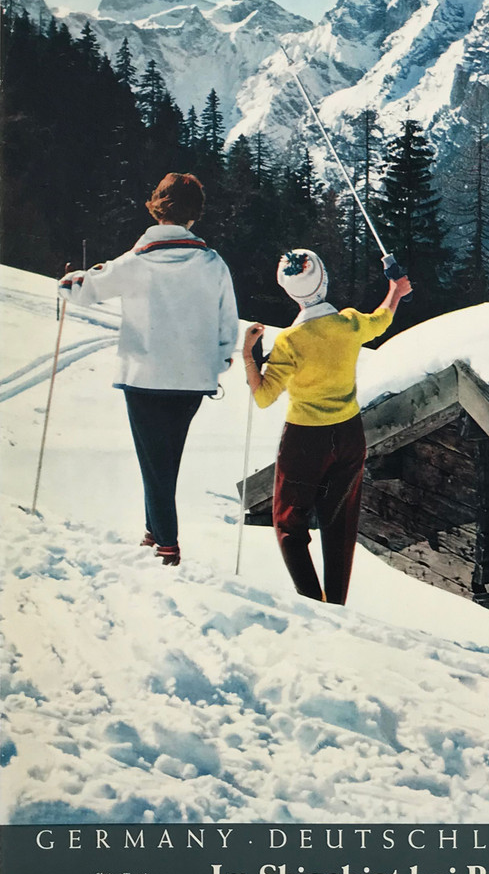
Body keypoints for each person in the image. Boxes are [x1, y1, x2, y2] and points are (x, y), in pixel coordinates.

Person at [60, 173, 239, 566]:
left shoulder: (136, 261)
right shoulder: (213, 264)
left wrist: (69, 282)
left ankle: (167, 545)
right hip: (193, 379)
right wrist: (222, 359)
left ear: (156, 207)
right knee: (163, 458)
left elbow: (87, 290)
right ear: (195, 215)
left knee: (154, 459)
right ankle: (153, 531)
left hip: (143, 376)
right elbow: (229, 321)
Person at [241, 250, 412, 606]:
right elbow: (381, 320)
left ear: (289, 293)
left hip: (304, 438)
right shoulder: (348, 323)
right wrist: (395, 291)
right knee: (340, 522)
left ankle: (311, 600)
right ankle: (335, 604)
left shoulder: (289, 342)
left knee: (289, 521)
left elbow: (263, 396)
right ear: (325, 281)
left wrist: (248, 355)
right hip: (349, 434)